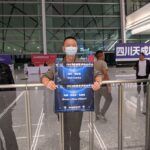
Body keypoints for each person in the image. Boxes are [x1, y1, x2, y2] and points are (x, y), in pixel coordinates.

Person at [41, 36, 101, 150]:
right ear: (63, 48)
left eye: (73, 45)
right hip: (62, 105)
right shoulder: (58, 66)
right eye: (68, 46)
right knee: (64, 134)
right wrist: (47, 82)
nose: (71, 48)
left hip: (78, 106)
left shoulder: (84, 64)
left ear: (77, 48)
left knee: (75, 134)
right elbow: (44, 76)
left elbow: (98, 74)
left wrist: (98, 82)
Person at [0, 62, 18, 150]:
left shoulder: (4, 67)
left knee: (7, 130)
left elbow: (11, 84)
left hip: (4, 105)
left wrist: (13, 102)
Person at [94, 50, 112, 121]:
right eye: (103, 55)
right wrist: (109, 84)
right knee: (109, 99)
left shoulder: (94, 63)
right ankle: (102, 113)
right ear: (101, 55)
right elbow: (106, 74)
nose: (104, 56)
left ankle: (97, 115)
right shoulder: (103, 63)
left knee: (97, 101)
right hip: (103, 84)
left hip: (95, 84)